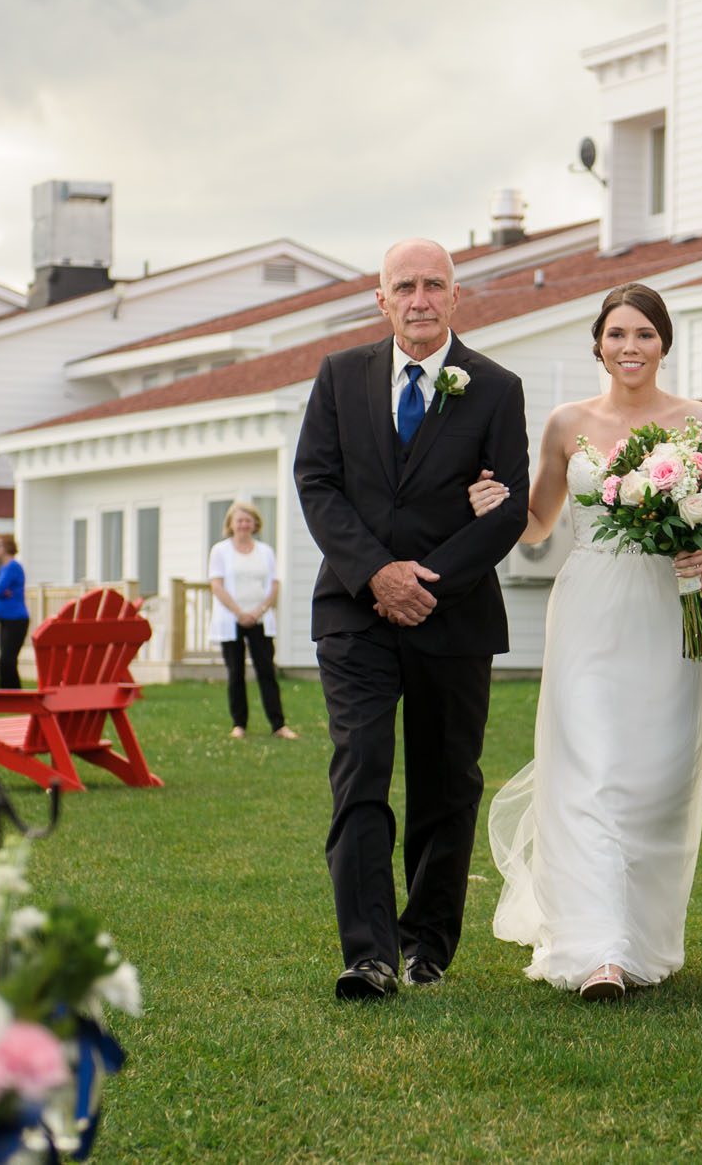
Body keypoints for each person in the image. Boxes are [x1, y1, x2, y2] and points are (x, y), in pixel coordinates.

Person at [468, 283, 702, 1002]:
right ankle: (598, 949)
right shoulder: (565, 422)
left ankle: (641, 936)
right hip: (586, 610)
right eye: (617, 334)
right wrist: (497, 507)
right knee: (590, 771)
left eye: (644, 333)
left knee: (659, 778)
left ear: (664, 343)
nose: (630, 347)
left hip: (669, 611)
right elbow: (538, 522)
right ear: (598, 344)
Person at [294, 237, 529, 1001]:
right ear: (382, 300)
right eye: (406, 286)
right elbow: (318, 482)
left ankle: (427, 937)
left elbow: (508, 509)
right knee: (361, 767)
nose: (420, 298)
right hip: (355, 610)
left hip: (452, 612)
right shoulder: (339, 376)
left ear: (456, 296)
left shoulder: (496, 388)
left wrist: (428, 581)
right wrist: (376, 575)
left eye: (434, 285)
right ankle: (368, 951)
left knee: (446, 782)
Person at [209, 500, 297, 741]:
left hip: (260, 620)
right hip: (231, 620)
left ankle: (279, 725)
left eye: (248, 520)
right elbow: (217, 585)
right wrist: (239, 612)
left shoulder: (266, 551)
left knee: (266, 672)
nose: (244, 524)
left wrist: (258, 611)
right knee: (235, 673)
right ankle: (239, 725)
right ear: (231, 524)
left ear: (255, 523)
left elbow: (274, 585)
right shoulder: (220, 551)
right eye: (239, 520)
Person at [0, 535, 30, 690]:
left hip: (16, 619)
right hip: (5, 619)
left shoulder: (13, 566)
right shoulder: (3, 568)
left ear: (6, 547)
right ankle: (6, 693)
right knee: (5, 659)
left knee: (7, 659)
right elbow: (0, 590)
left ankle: (13, 693)